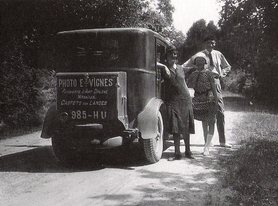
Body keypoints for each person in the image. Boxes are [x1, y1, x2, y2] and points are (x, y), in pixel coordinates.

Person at [183, 36, 232, 148]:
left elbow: (227, 66)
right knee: (205, 111)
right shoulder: (198, 56)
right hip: (202, 83)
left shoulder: (218, 54)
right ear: (204, 44)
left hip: (215, 81)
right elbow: (185, 66)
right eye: (208, 43)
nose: (211, 45)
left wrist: (222, 74)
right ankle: (208, 141)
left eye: (213, 43)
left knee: (219, 109)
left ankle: (222, 141)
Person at [160, 45, 195, 160]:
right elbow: (152, 63)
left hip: (185, 99)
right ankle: (177, 153)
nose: (174, 56)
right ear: (166, 56)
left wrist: (190, 97)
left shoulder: (180, 68)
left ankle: (188, 151)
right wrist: (164, 66)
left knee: (185, 126)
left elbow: (183, 82)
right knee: (175, 128)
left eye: (175, 54)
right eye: (171, 54)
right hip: (173, 100)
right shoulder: (164, 68)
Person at [188, 53, 218, 155]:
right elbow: (188, 86)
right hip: (198, 98)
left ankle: (207, 147)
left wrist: (216, 99)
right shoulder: (193, 74)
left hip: (209, 97)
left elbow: (213, 86)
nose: (199, 63)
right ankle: (206, 143)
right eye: (197, 62)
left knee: (211, 121)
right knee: (204, 122)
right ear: (195, 63)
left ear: (205, 62)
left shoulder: (209, 73)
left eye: (201, 61)